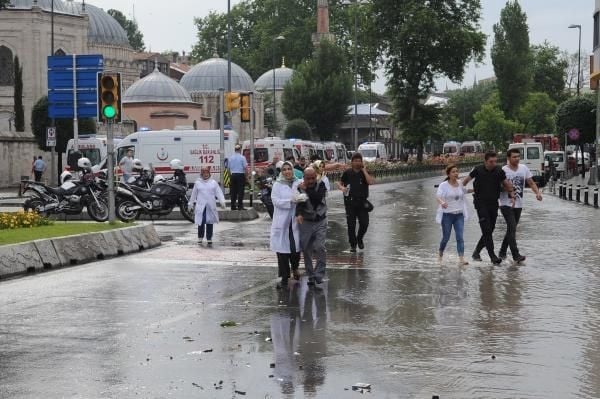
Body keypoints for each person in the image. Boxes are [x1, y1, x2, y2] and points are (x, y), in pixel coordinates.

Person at [462, 151, 514, 264]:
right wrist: (454, 190)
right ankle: (493, 256)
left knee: (490, 230)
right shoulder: (477, 169)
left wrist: (512, 194)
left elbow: (506, 184)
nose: (493, 164)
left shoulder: (499, 171)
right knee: (486, 230)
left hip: (494, 203)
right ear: (485, 161)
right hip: (480, 204)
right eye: (491, 161)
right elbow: (465, 182)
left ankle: (476, 252)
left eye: (495, 161)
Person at [498, 148, 543, 263]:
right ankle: (516, 255)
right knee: (512, 228)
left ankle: (502, 252)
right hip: (505, 204)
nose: (517, 159)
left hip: (519, 204)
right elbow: (498, 186)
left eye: (518, 156)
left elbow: (531, 182)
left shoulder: (524, 168)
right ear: (508, 158)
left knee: (511, 229)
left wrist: (537, 193)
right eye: (514, 157)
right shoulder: (503, 170)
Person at [270, 161, 301, 288]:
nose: (287, 171)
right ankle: (284, 277)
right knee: (282, 252)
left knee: (295, 250)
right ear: (281, 172)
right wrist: (290, 201)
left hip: (294, 222)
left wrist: (300, 199)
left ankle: (295, 268)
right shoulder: (277, 185)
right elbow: (275, 201)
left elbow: (304, 196)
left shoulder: (298, 182)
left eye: (289, 169)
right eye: (284, 169)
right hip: (281, 222)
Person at [296, 167, 328, 286]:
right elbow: (299, 203)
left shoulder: (321, 185)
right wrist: (298, 214)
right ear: (304, 178)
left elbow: (317, 199)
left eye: (312, 178)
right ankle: (310, 275)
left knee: (320, 247)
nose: (310, 181)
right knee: (306, 249)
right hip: (306, 222)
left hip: (320, 220)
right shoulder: (300, 187)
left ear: (316, 177)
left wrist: (307, 190)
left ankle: (319, 274)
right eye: (308, 179)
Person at [337, 153, 375, 252]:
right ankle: (353, 244)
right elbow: (340, 183)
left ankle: (359, 238)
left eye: (360, 161)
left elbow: (371, 182)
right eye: (356, 161)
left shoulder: (365, 172)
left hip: (362, 202)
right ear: (352, 162)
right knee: (351, 224)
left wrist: (364, 170)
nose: (358, 163)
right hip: (350, 202)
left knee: (364, 223)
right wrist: (342, 188)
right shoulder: (347, 172)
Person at [436, 164, 471, 266]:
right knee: (445, 238)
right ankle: (440, 253)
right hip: (447, 215)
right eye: (453, 172)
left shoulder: (460, 183)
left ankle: (461, 258)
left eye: (457, 171)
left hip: (459, 215)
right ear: (449, 174)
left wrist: (476, 190)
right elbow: (438, 196)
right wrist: (442, 203)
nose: (456, 173)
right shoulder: (443, 185)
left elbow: (465, 191)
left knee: (460, 237)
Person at [188, 166, 226, 245]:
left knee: (209, 222)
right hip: (201, 206)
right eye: (204, 173)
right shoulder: (198, 183)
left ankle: (209, 238)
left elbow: (218, 192)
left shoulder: (213, 183)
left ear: (209, 173)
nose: (205, 174)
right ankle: (200, 237)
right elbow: (193, 194)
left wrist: (222, 201)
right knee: (201, 222)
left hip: (210, 206)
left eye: (207, 173)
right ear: (201, 174)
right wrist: (190, 204)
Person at [227, 144, 248, 210]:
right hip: (240, 175)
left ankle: (233, 206)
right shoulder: (242, 157)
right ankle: (240, 206)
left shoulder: (230, 158)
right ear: (240, 150)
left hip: (233, 175)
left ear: (235, 150)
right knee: (240, 191)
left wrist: (230, 176)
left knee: (233, 191)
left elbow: (228, 169)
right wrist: (246, 176)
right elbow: (245, 168)